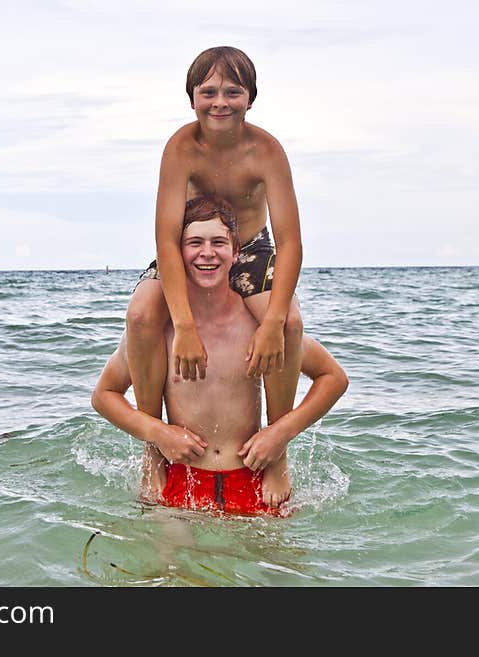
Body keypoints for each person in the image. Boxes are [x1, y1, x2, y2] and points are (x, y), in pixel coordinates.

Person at [126, 46, 306, 507]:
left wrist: (270, 323)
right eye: (208, 92)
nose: (220, 102)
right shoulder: (181, 147)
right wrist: (183, 325)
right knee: (142, 316)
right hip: (193, 249)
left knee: (288, 324)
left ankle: (277, 450)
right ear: (192, 99)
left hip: (249, 249)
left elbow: (290, 242)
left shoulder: (266, 150)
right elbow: (167, 238)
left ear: (251, 98)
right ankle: (154, 448)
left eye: (232, 91)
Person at [93, 197, 347, 516]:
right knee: (165, 565)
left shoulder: (257, 329)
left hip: (255, 485)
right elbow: (104, 395)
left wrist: (280, 434)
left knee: (281, 566)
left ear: (236, 252)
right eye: (194, 242)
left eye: (218, 242)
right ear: (176, 255)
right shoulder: (161, 334)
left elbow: (333, 378)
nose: (207, 253)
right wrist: (158, 433)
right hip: (178, 483)